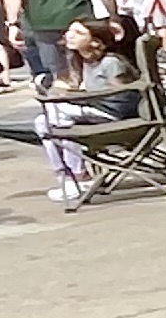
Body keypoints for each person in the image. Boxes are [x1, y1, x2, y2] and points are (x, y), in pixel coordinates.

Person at [32, 18, 139, 208]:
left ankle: (78, 176)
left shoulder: (110, 62)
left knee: (55, 112)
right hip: (94, 111)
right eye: (69, 31)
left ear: (96, 41)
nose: (70, 35)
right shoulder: (81, 61)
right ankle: (66, 176)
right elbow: (70, 86)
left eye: (78, 32)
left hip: (113, 115)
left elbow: (125, 95)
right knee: (42, 122)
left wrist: (83, 97)